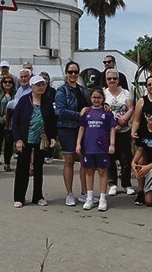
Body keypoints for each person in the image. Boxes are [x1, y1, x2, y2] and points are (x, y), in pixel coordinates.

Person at [11, 75, 57, 207]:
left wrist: (52, 137)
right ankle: (19, 197)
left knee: (38, 169)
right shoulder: (24, 100)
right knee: (22, 169)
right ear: (31, 87)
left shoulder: (47, 101)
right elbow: (15, 122)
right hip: (25, 139)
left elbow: (52, 122)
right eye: (38, 85)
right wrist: (18, 139)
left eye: (43, 85)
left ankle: (38, 196)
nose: (41, 87)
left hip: (41, 140)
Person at [55, 61, 90, 206]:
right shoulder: (61, 91)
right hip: (67, 128)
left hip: (83, 129)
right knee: (69, 160)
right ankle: (69, 193)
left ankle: (84, 193)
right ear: (66, 73)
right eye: (70, 72)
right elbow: (60, 111)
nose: (73, 75)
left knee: (85, 161)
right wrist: (78, 114)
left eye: (76, 72)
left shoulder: (83, 90)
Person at [76, 87, 116, 211]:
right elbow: (82, 128)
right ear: (90, 98)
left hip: (102, 148)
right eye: (94, 97)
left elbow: (112, 128)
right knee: (89, 172)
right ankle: (89, 197)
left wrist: (112, 144)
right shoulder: (87, 112)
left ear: (103, 98)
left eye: (99, 97)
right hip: (89, 147)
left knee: (103, 172)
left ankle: (103, 198)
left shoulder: (107, 113)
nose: (96, 100)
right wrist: (78, 144)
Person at [104, 68, 135, 196]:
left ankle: (126, 183)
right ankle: (112, 183)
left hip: (124, 129)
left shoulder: (125, 93)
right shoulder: (104, 93)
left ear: (118, 80)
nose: (112, 81)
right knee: (110, 157)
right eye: (109, 79)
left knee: (125, 158)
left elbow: (130, 108)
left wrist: (124, 119)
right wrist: (113, 125)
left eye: (114, 78)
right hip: (109, 131)